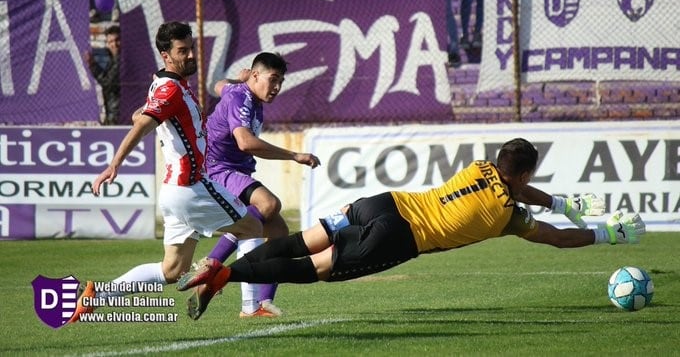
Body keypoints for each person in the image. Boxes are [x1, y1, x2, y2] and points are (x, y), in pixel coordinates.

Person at [176, 137, 646, 320]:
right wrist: (608, 233)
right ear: (523, 175)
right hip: (398, 238)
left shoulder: (480, 165)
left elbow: (516, 188)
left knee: (301, 239)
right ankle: (228, 277)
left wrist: (560, 201)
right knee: (315, 267)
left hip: (381, 202)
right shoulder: (507, 217)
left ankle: (219, 266)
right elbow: (556, 236)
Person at [68, 21, 263, 323]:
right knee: (253, 228)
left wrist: (147, 114)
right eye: (182, 51)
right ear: (166, 56)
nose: (190, 56)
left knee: (172, 271)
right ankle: (248, 304)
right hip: (192, 186)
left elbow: (145, 114)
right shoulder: (171, 89)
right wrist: (114, 164)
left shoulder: (165, 84)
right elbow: (143, 123)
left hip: (173, 193)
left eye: (191, 49)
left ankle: (99, 295)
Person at [198, 52, 321, 317]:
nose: (277, 87)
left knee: (278, 231)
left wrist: (237, 79)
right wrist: (294, 155)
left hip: (234, 171)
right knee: (268, 203)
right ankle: (211, 267)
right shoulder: (241, 98)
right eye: (273, 79)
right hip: (217, 170)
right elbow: (245, 142)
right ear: (255, 75)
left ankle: (259, 305)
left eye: (281, 81)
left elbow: (217, 85)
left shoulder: (242, 91)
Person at [85, 25, 121, 125]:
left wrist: (93, 65)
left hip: (120, 115)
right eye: (110, 42)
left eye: (117, 40)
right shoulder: (112, 61)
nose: (114, 44)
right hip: (112, 113)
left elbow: (107, 83)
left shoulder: (122, 61)